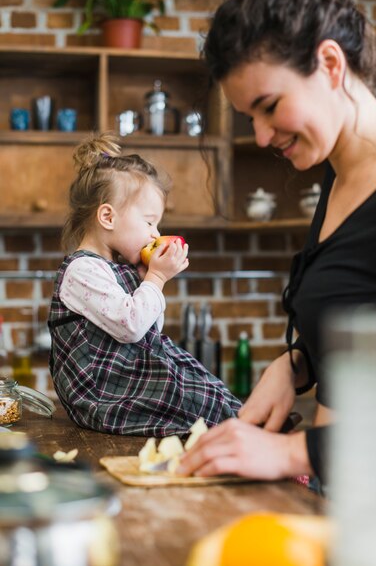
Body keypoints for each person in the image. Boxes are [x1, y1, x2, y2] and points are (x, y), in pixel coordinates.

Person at [178, 0, 376, 487]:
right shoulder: (340, 178)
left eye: (269, 106)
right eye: (250, 119)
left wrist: (291, 455)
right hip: (345, 507)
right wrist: (296, 365)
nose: (262, 136)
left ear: (330, 64)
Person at [48, 133, 241, 436]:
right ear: (108, 217)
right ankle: (253, 441)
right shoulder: (82, 270)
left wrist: (144, 279)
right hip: (103, 393)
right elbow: (131, 326)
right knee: (193, 399)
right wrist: (157, 278)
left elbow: (152, 331)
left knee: (207, 388)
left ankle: (255, 434)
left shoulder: (118, 268)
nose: (155, 233)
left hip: (130, 378)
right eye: (149, 222)